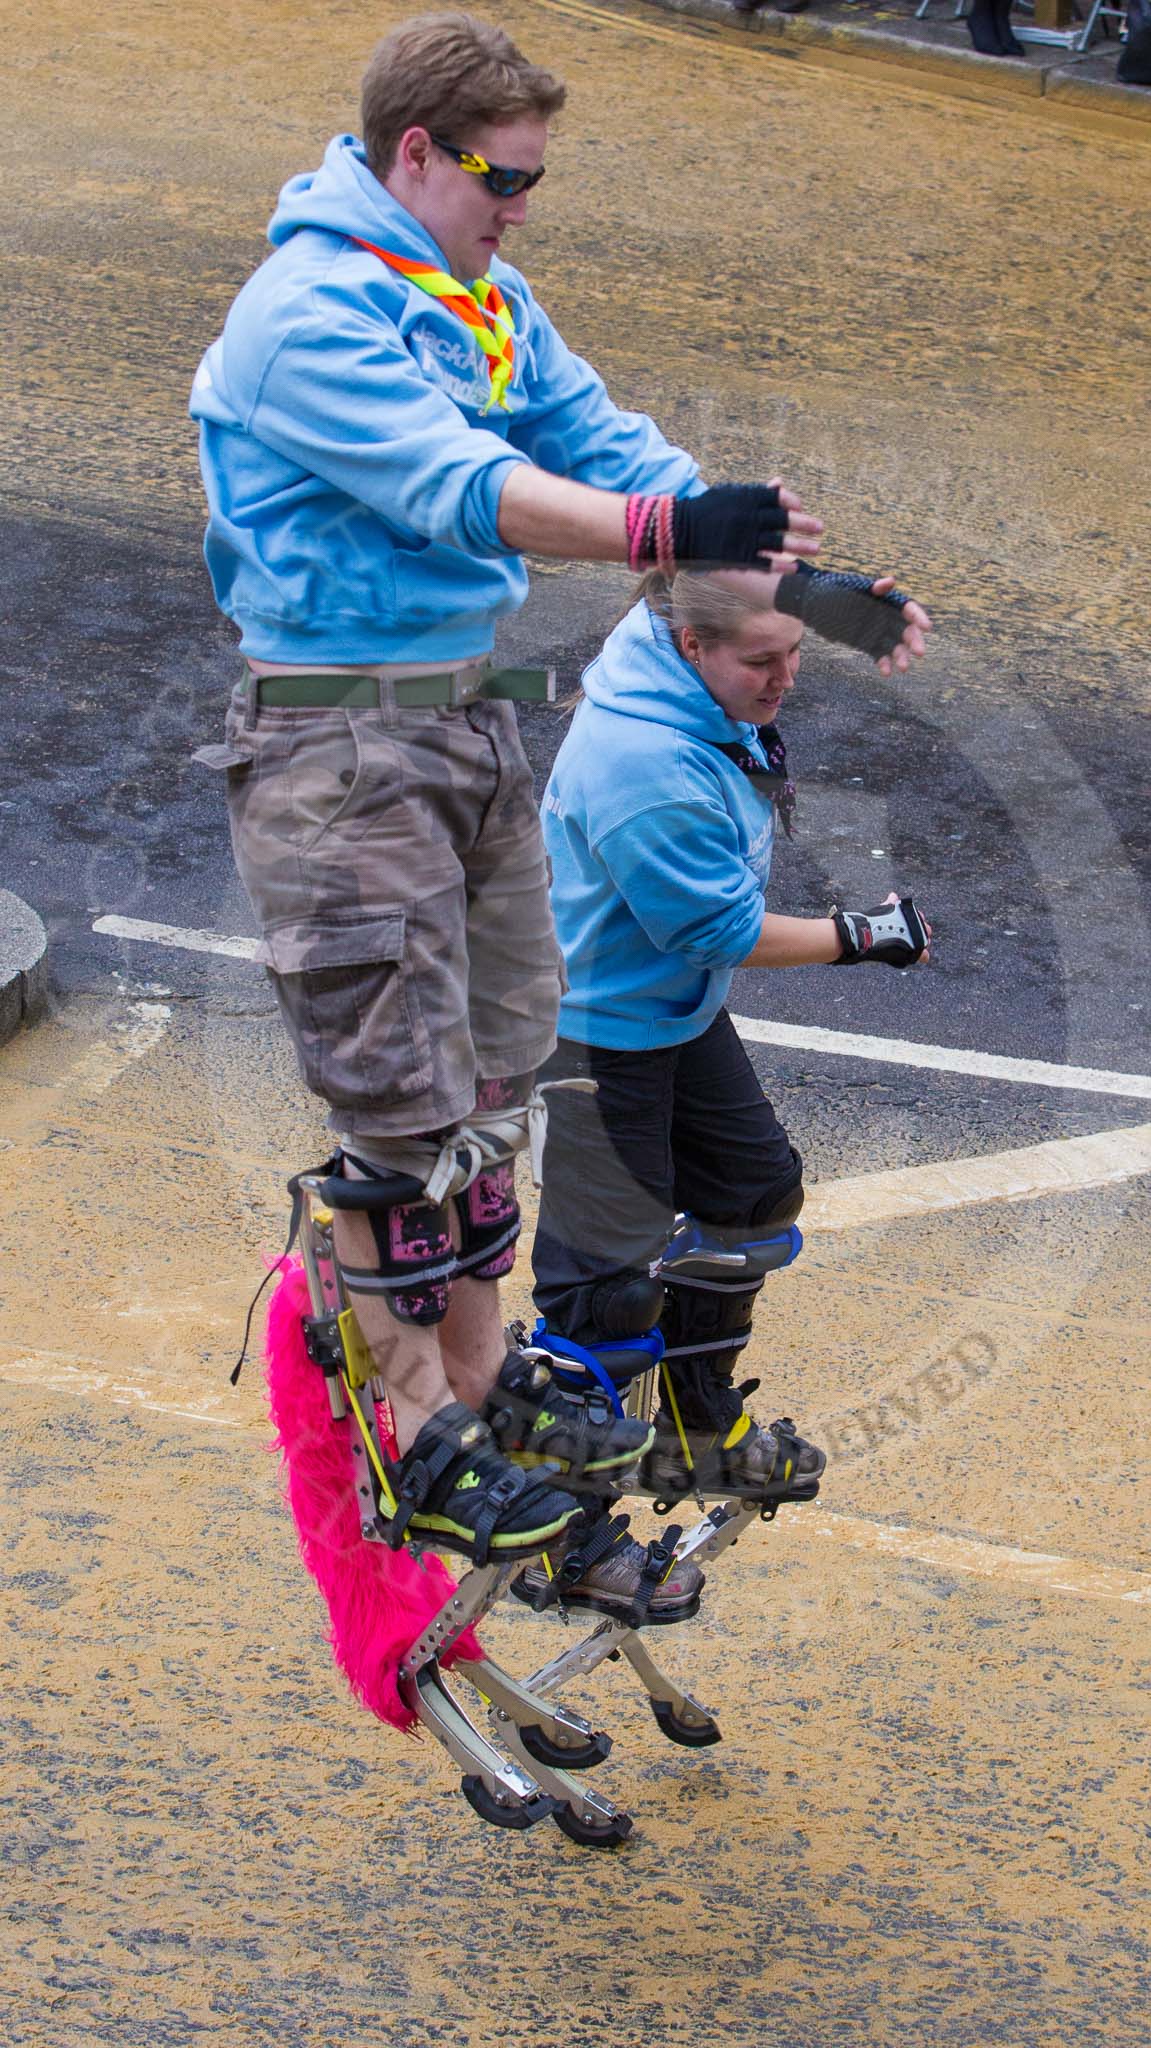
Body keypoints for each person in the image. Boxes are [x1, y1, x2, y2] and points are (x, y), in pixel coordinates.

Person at [189, 9, 833, 1591]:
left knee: (486, 1083)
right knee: (397, 1105)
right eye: (503, 179)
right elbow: (460, 483)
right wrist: (652, 522)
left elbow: (592, 433)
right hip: (343, 751)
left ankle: (484, 1381)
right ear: (415, 153)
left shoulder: (471, 291)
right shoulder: (308, 315)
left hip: (463, 726)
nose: (520, 208)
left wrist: (753, 550)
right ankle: (416, 1427)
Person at [521, 566, 932, 1616]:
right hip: (596, 1027)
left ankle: (696, 1427)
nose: (785, 677)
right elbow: (718, 931)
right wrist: (864, 936)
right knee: (602, 1290)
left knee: (751, 1198)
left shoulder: (685, 630)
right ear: (694, 647)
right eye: (763, 660)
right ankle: (559, 1535)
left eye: (797, 651)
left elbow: (705, 529)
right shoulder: (643, 762)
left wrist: (837, 596)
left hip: (670, 1008)